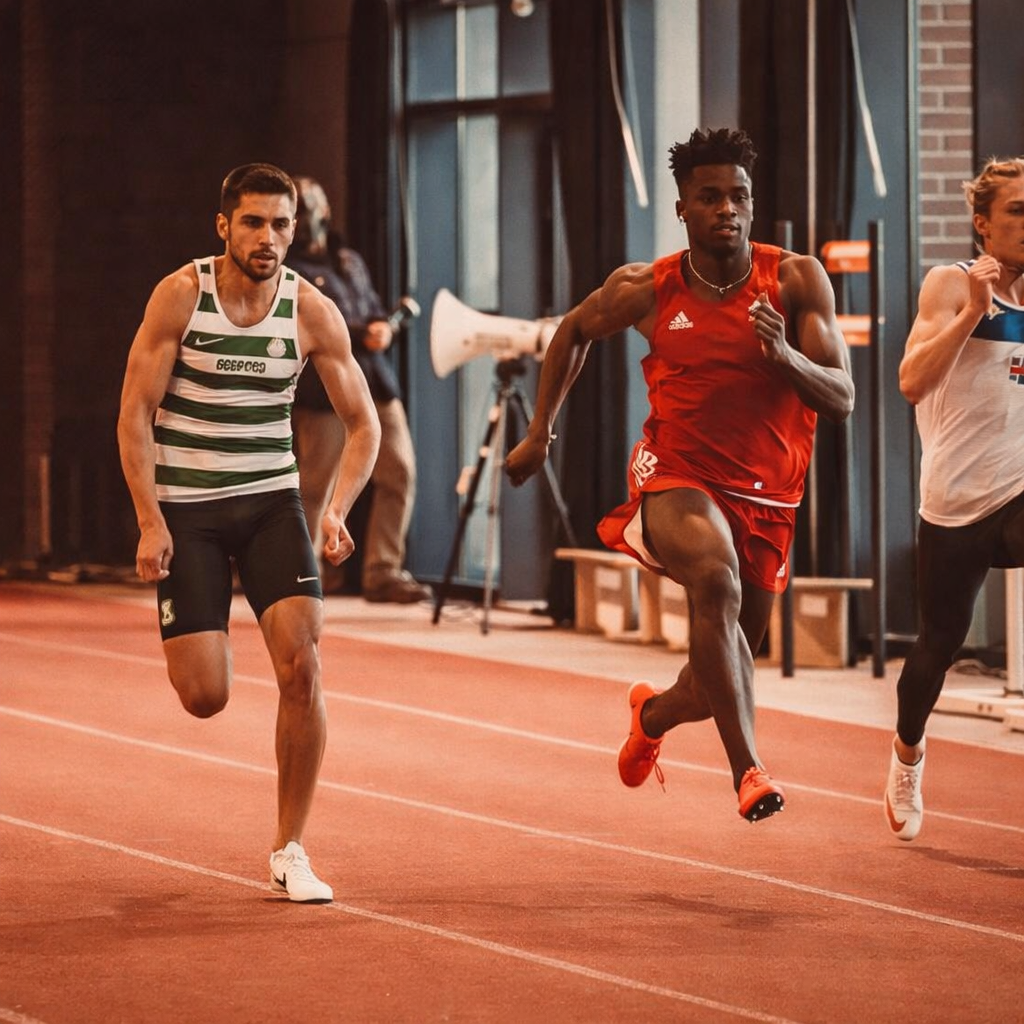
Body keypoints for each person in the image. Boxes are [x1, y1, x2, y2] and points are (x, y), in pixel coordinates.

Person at [506, 128, 855, 822]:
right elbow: (571, 332)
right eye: (711, 197)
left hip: (769, 496)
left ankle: (654, 716)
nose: (728, 208)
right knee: (715, 579)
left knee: (714, 674)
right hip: (677, 473)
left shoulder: (793, 280)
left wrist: (783, 357)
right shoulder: (648, 287)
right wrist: (541, 429)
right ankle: (748, 771)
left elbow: (842, 396)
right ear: (683, 210)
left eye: (740, 196)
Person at [117, 163, 381, 902]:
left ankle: (290, 848)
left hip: (271, 504)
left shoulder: (311, 310)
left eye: (283, 225)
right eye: (255, 223)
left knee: (304, 665)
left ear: (299, 230)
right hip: (189, 512)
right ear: (224, 226)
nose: (269, 239)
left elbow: (364, 425)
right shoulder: (180, 296)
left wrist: (336, 509)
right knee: (206, 695)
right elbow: (135, 413)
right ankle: (199, 626)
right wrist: (149, 519)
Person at [884, 156, 1024, 841]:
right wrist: (973, 310)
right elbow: (911, 380)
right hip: (957, 502)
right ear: (982, 224)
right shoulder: (950, 284)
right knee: (935, 647)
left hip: (1019, 490)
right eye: (1018, 212)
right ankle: (907, 754)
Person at [288, 175, 431, 604]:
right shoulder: (289, 272)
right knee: (316, 486)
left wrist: (382, 329)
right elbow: (310, 328)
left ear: (326, 209)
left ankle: (383, 570)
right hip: (323, 393)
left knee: (399, 473)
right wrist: (357, 331)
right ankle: (305, 575)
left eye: (312, 204)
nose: (307, 215)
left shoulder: (349, 262)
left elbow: (370, 309)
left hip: (375, 387)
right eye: (299, 209)